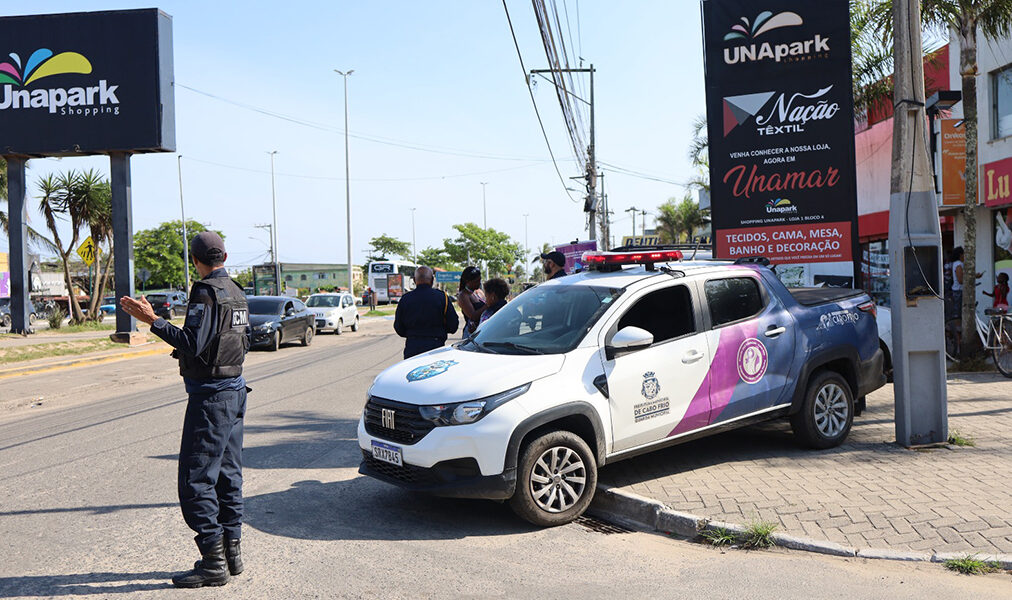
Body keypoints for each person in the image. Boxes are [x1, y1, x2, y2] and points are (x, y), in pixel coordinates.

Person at [120, 232, 250, 589]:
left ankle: (212, 562)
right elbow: (244, 341)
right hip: (235, 391)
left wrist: (153, 320)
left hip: (211, 396)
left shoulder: (205, 291)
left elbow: (192, 343)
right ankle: (232, 554)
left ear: (196, 260)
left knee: (195, 480)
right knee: (228, 474)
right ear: (225, 254)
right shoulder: (238, 292)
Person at [393, 266, 459, 359]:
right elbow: (453, 326)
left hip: (412, 348)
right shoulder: (442, 297)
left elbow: (398, 327)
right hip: (436, 348)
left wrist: (412, 334)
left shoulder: (405, 299)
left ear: (415, 280)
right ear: (432, 280)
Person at [951, 247, 982, 315]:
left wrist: (974, 276)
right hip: (959, 291)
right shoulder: (958, 264)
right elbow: (960, 280)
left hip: (959, 291)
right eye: (964, 254)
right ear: (960, 255)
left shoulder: (956, 264)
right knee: (960, 312)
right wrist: (971, 280)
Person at [456, 266, 485, 336]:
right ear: (468, 281)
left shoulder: (478, 292)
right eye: (476, 281)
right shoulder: (463, 295)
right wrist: (488, 305)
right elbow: (472, 316)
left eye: (480, 280)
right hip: (471, 332)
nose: (479, 283)